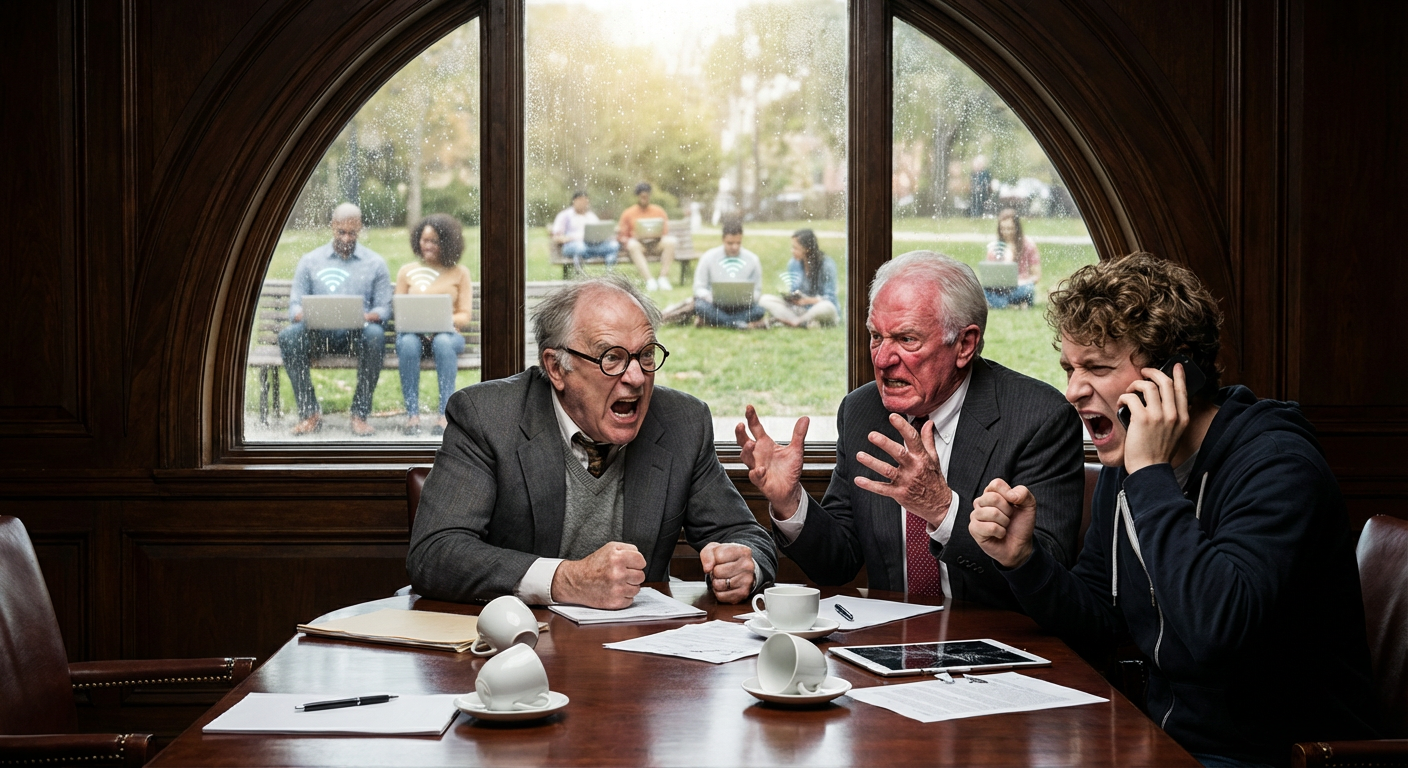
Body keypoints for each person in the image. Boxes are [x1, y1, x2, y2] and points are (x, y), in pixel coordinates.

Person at [968, 253, 1381, 766]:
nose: (1073, 391)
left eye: (1096, 368)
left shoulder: (1278, 467)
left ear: (1174, 375)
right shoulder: (1133, 464)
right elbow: (1100, 620)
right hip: (1162, 742)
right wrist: (1025, 562)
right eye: (1070, 369)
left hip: (1269, 756)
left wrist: (1149, 476)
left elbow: (1214, 632)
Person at [736, 251, 1083, 609]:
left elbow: (1048, 580)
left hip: (997, 643)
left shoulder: (1038, 418)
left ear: (965, 344)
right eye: (876, 337)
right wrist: (790, 502)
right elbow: (838, 565)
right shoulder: (861, 411)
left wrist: (942, 509)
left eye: (906, 340)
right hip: (889, 643)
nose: (882, 359)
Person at [407, 275, 777, 609]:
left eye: (646, 355)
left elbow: (744, 536)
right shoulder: (488, 416)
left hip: (639, 655)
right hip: (516, 651)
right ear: (556, 368)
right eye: (611, 358)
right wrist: (566, 580)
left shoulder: (682, 421)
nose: (636, 377)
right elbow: (436, 553)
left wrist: (744, 565)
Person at [278, 203, 392, 437]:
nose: (347, 238)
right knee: (289, 337)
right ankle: (310, 413)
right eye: (341, 232)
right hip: (319, 335)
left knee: (375, 335)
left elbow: (384, 309)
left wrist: (366, 316)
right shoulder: (310, 261)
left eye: (352, 232)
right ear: (333, 227)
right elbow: (294, 307)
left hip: (356, 336)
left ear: (360, 228)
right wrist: (306, 313)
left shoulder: (375, 263)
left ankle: (359, 415)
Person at [394, 213, 473, 437]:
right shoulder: (407, 271)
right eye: (424, 240)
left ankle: (443, 415)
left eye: (434, 241)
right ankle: (412, 415)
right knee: (408, 343)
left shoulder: (460, 273)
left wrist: (443, 322)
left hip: (447, 335)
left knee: (442, 342)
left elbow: (464, 314)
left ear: (447, 244)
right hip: (413, 335)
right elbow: (399, 309)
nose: (427, 246)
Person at [692, 217, 766, 329]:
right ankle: (737, 323)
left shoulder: (752, 259)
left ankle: (722, 321)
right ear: (723, 240)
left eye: (738, 243)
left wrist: (746, 299)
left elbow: (757, 290)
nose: (734, 247)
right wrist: (711, 297)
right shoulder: (708, 257)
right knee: (700, 306)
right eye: (730, 243)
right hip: (715, 305)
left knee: (759, 310)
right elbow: (699, 288)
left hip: (742, 306)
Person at [758, 228, 839, 328]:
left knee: (827, 307)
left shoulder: (826, 264)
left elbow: (830, 298)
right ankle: (805, 322)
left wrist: (806, 300)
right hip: (800, 310)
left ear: (807, 248)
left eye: (795, 248)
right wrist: (791, 298)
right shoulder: (793, 264)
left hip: (819, 309)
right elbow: (794, 290)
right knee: (764, 299)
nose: (792, 251)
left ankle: (796, 322)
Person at [617, 182, 677, 291]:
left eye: (646, 196)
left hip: (656, 243)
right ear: (638, 197)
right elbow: (622, 235)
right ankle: (649, 280)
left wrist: (655, 235)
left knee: (671, 242)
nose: (644, 199)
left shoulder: (658, 211)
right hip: (639, 246)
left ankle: (663, 278)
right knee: (632, 245)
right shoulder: (628, 213)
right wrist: (632, 237)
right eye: (642, 197)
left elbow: (665, 232)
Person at [983, 208, 1041, 309]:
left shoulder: (1028, 245)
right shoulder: (995, 247)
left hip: (1020, 287)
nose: (1006, 232)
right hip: (1000, 289)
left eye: (1010, 228)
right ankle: (1014, 304)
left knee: (1028, 289)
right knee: (983, 290)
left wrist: (1023, 281)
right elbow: (989, 276)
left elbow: (1036, 276)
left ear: (1017, 228)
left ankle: (1000, 304)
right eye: (1003, 229)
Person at [551, 191, 619, 272]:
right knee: (580, 248)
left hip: (591, 245)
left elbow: (598, 231)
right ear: (574, 201)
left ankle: (609, 274)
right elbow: (556, 237)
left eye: (586, 201)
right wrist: (571, 238)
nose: (584, 204)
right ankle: (580, 272)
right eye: (581, 201)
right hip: (573, 245)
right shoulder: (565, 216)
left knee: (614, 246)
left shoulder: (591, 216)